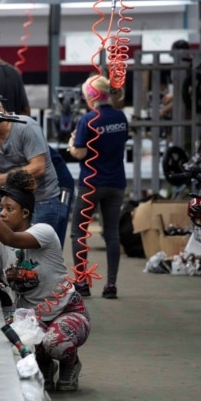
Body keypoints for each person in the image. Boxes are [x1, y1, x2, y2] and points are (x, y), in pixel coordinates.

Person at [0, 169, 90, 392]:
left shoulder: (44, 232)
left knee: (54, 343)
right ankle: (45, 366)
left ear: (25, 213)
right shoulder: (0, 245)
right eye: (1, 208)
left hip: (67, 311)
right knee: (18, 343)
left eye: (10, 209)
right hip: (33, 318)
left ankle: (70, 363)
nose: (3, 214)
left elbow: (11, 238)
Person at [0, 99, 70, 248]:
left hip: (43, 201)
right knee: (16, 253)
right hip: (16, 202)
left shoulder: (26, 127)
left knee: (41, 255)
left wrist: (0, 180)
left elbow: (38, 167)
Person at [68, 75, 128, 299]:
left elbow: (81, 152)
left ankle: (82, 283)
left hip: (91, 184)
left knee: (78, 233)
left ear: (91, 96)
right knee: (112, 233)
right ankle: (111, 285)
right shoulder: (121, 117)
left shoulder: (88, 120)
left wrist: (72, 145)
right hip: (116, 183)